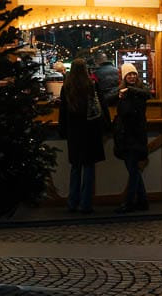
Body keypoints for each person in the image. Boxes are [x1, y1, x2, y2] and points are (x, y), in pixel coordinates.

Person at [57, 57, 110, 214]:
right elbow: (102, 106)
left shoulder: (66, 87)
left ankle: (72, 202)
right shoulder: (91, 85)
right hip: (91, 130)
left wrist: (63, 130)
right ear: (85, 69)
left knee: (75, 167)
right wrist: (107, 126)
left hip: (74, 132)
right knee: (88, 167)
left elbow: (63, 113)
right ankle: (86, 204)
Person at [114, 62, 149, 214]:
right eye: (129, 74)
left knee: (133, 170)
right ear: (124, 76)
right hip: (127, 136)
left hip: (135, 136)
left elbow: (147, 93)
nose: (132, 76)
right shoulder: (122, 91)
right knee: (133, 169)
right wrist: (121, 93)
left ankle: (129, 202)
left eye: (134, 74)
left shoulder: (139, 91)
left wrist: (128, 90)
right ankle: (142, 201)